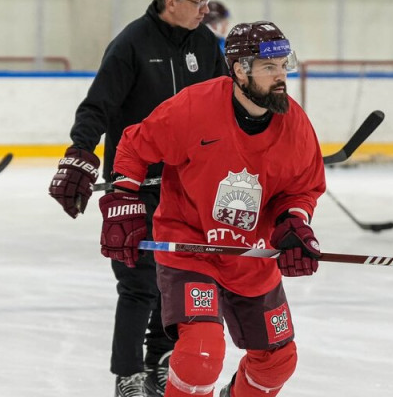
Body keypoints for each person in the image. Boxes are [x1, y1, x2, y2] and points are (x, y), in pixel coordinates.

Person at [99, 21, 325, 397]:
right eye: (269, 68)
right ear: (239, 69)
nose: (281, 76)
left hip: (251, 254)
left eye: (284, 65)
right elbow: (135, 146)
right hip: (190, 247)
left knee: (277, 362)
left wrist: (294, 223)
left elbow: (302, 189)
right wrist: (123, 199)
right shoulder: (193, 108)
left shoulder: (295, 124)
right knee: (199, 355)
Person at [47, 0, 228, 397]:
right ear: (171, 0)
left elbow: (225, 104)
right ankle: (127, 373)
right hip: (135, 184)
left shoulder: (205, 45)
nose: (207, 9)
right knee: (137, 281)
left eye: (207, 1)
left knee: (177, 273)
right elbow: (99, 106)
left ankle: (161, 358)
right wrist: (79, 150)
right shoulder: (131, 43)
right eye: (198, 1)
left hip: (187, 186)